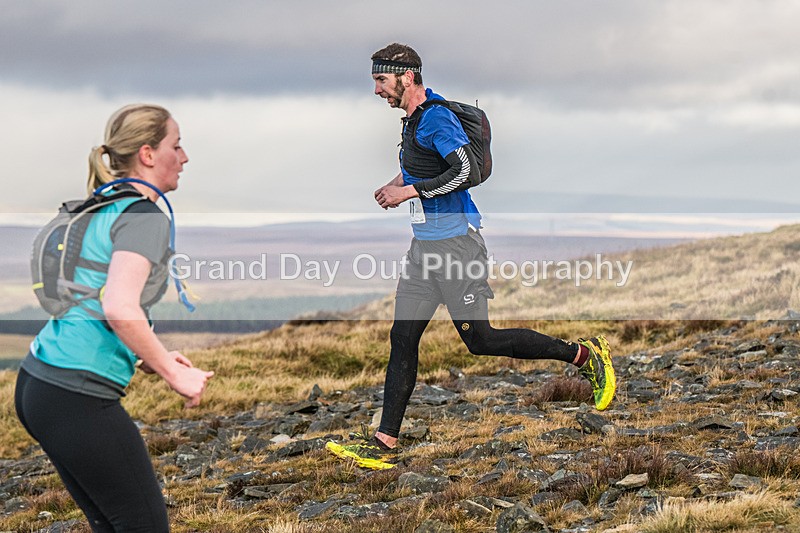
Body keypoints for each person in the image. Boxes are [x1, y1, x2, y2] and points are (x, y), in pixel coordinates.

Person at [337, 44, 616, 462]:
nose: (377, 89)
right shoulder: (413, 121)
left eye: (381, 80)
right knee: (403, 338)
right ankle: (384, 444)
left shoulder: (435, 118)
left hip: (457, 247)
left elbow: (464, 169)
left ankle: (583, 355)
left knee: (480, 340)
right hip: (424, 249)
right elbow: (424, 166)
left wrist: (408, 191)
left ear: (406, 77)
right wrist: (394, 184)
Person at [15, 104, 214, 532]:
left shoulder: (105, 203)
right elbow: (120, 308)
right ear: (147, 154)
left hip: (40, 383)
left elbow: (95, 295)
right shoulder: (142, 216)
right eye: (175, 146)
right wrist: (173, 374)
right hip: (75, 393)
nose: (184, 157)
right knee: (143, 525)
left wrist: (151, 357)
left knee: (113, 523)